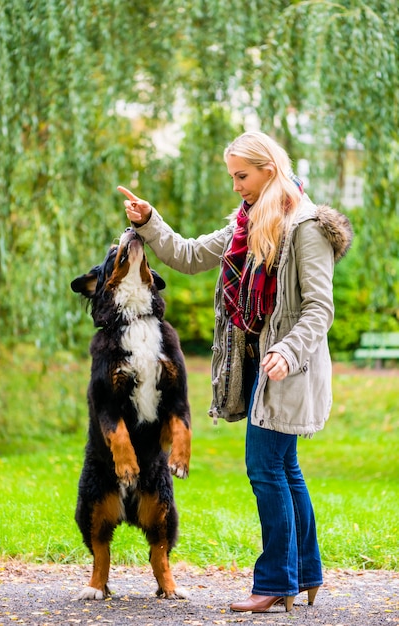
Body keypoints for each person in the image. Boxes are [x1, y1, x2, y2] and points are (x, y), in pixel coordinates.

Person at [117, 131, 353, 613]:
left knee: (266, 468)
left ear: (269, 169)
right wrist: (149, 222)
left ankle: (276, 582)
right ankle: (305, 574)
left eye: (242, 176)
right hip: (259, 362)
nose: (236, 186)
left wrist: (286, 353)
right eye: (232, 177)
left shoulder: (306, 228)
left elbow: (319, 309)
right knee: (284, 468)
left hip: (289, 365)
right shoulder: (245, 224)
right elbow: (187, 255)